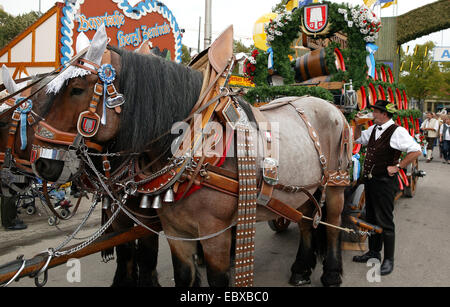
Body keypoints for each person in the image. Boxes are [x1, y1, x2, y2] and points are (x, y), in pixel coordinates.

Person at [352, 100, 421, 276]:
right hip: (371, 181)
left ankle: (389, 259)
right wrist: (358, 125)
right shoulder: (374, 129)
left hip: (384, 182)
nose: (372, 114)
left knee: (385, 221)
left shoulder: (397, 131)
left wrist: (398, 166)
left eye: (374, 111)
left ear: (383, 113)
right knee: (372, 218)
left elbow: (416, 150)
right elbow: (358, 139)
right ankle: (373, 252)